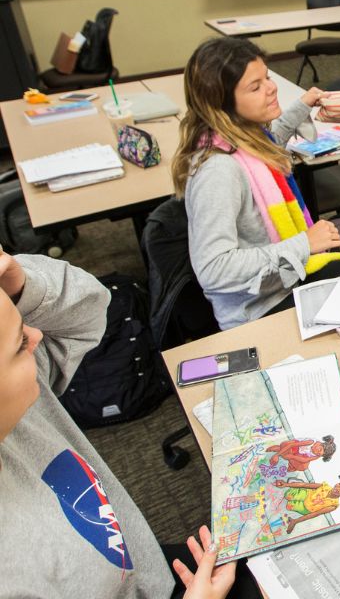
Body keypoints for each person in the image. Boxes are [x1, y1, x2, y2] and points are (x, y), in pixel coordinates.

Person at [0, 250, 241, 598]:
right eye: (21, 342)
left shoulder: (22, 412)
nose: (37, 337)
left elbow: (90, 310)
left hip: (142, 572)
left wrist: (21, 285)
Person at [172, 38, 340, 330]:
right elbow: (213, 269)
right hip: (260, 309)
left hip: (283, 282)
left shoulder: (240, 136)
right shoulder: (218, 171)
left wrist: (300, 106)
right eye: (255, 87)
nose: (271, 87)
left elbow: (267, 147)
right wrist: (303, 243)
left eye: (267, 76)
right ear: (222, 104)